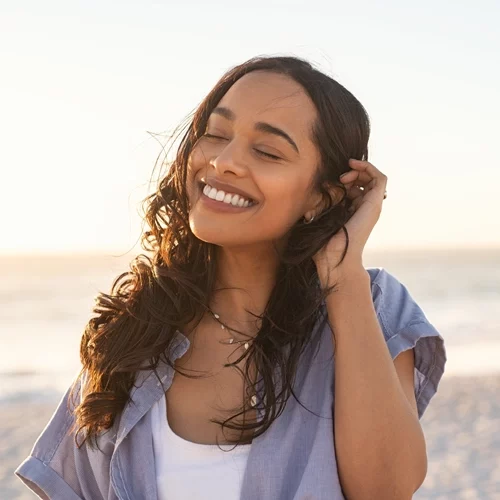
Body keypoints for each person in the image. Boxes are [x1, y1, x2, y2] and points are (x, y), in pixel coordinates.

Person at [15, 55, 446, 499]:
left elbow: (386, 489)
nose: (223, 162)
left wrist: (342, 276)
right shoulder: (133, 333)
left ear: (321, 195)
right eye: (217, 135)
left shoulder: (370, 305)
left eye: (266, 151)